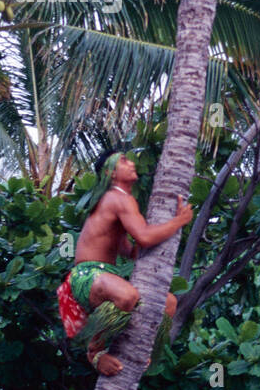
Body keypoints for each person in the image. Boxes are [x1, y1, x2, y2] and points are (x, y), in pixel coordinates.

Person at [56, 150, 193, 375]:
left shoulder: (119, 201)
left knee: (168, 303)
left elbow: (132, 252)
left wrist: (162, 228)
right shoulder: (117, 198)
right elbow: (145, 237)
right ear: (110, 173)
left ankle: (138, 349)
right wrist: (178, 221)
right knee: (128, 295)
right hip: (87, 276)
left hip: (106, 278)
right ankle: (95, 351)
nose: (131, 163)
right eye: (123, 160)